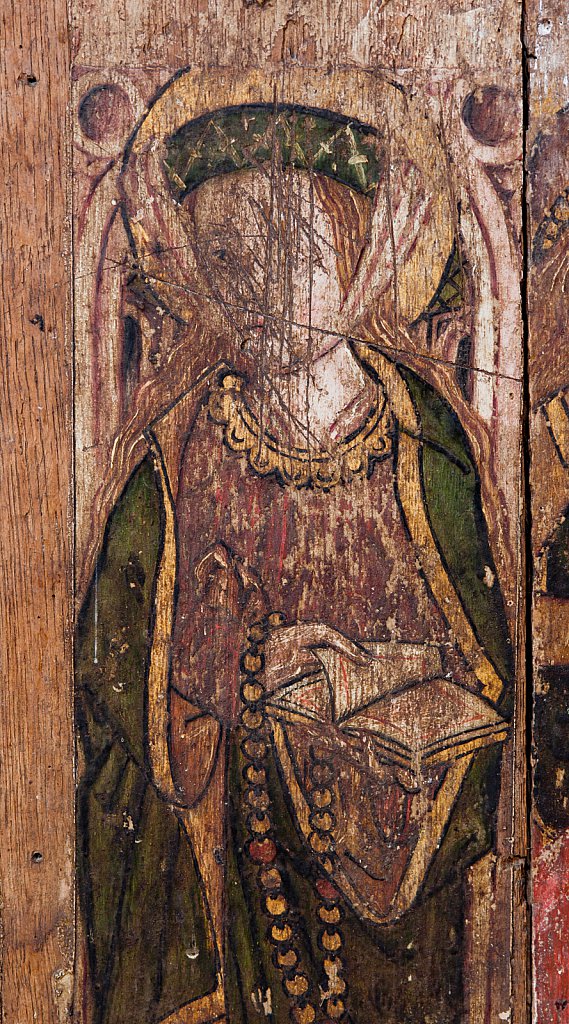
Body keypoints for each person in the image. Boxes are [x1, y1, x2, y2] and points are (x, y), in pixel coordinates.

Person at [76, 108, 512, 1024]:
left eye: (297, 256)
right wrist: (240, 670)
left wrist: (380, 686)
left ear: (361, 258)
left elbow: (487, 666)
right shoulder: (178, 452)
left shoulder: (425, 446)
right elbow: (111, 680)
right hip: (241, 857)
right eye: (231, 263)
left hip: (400, 868)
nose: (265, 293)